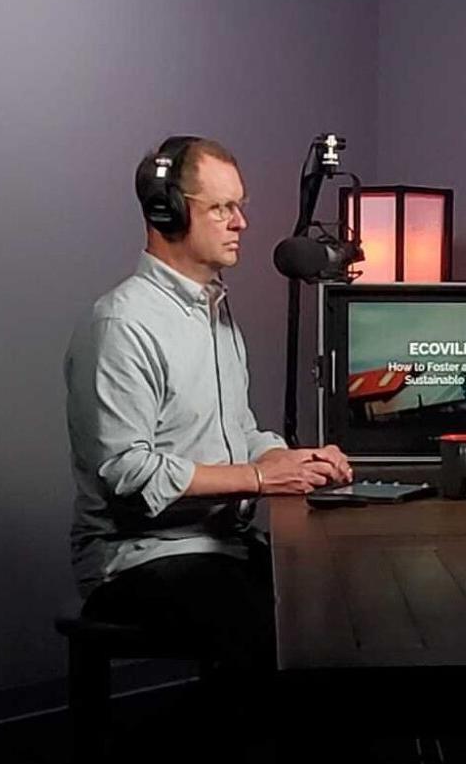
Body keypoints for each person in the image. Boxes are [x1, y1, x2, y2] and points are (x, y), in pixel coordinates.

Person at [65, 135, 353, 673]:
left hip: (222, 547)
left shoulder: (215, 312)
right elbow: (129, 474)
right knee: (255, 625)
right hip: (140, 559)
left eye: (239, 205)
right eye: (222, 208)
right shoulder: (121, 326)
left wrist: (293, 460)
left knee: (338, 591)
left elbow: (237, 432)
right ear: (166, 213)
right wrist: (259, 479)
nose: (241, 222)